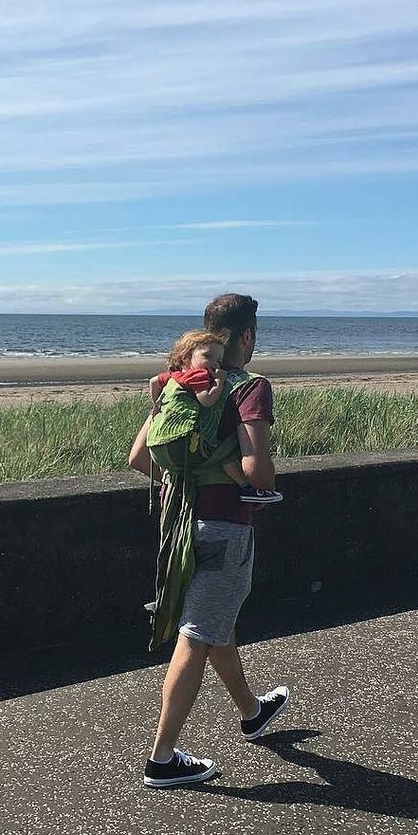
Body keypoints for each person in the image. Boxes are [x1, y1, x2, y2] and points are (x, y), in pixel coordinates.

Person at [128, 293, 290, 788]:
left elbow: (139, 460)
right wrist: (228, 468)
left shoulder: (180, 385)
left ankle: (251, 711)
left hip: (178, 528)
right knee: (197, 636)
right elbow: (256, 471)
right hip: (224, 528)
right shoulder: (250, 387)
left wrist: (191, 472)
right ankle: (162, 757)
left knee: (214, 620)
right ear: (246, 336)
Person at [148, 329, 282, 504]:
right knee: (224, 457)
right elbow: (207, 400)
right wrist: (218, 382)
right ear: (247, 335)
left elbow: (137, 458)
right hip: (221, 511)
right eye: (208, 356)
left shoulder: (173, 381)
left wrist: (156, 405)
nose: (215, 364)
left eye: (218, 360)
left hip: (175, 503)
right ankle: (246, 488)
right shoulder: (212, 378)